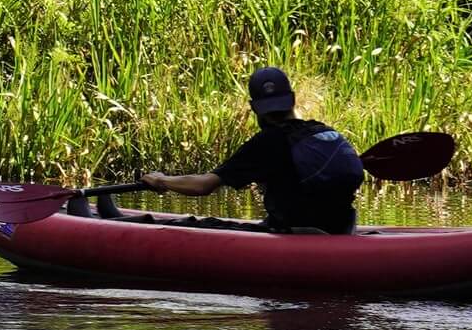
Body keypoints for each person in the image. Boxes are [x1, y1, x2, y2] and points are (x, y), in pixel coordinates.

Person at [140, 66, 366, 233]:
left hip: (293, 234)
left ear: (254, 108)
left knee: (192, 225)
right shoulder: (323, 131)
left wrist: (162, 181)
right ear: (293, 100)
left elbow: (203, 185)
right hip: (341, 229)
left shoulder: (267, 142)